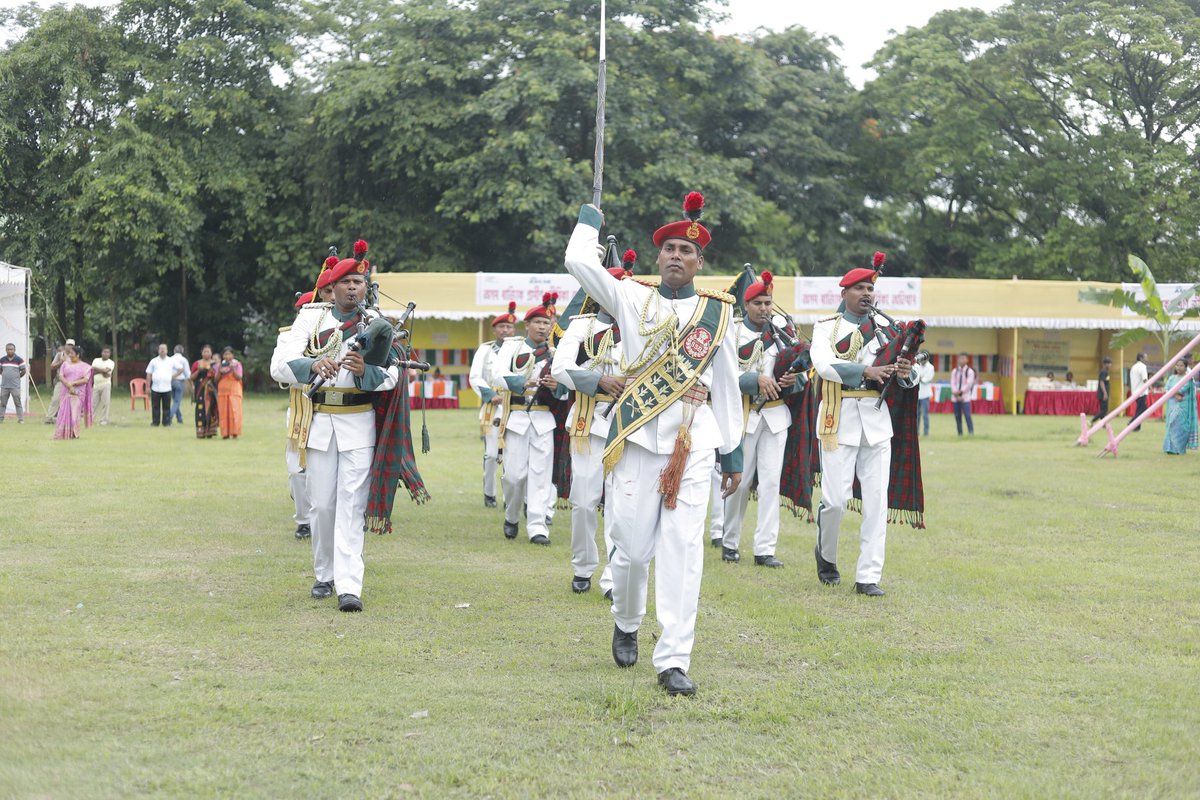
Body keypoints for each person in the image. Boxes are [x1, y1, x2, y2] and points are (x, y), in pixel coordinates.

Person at [564, 192, 743, 697]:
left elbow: (727, 388)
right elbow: (578, 260)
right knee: (632, 547)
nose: (674, 257)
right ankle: (626, 618)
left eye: (686, 252)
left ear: (699, 262)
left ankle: (673, 659)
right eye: (667, 249)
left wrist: (732, 452)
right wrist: (589, 221)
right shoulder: (630, 296)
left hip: (692, 440)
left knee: (684, 550)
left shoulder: (718, 315)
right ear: (657, 256)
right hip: (638, 440)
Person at [270, 242, 404, 612]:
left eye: (358, 281)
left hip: (359, 423)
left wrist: (369, 373)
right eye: (345, 281)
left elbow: (393, 374)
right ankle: (324, 573)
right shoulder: (311, 319)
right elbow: (279, 365)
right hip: (320, 424)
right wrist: (311, 367)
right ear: (333, 284)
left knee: (351, 506)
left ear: (366, 286)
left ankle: (349, 586)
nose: (352, 288)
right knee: (322, 506)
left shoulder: (377, 322)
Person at [810, 257, 917, 597]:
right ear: (845, 292)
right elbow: (823, 365)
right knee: (836, 500)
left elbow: (912, 375)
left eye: (871, 288)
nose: (867, 293)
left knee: (876, 502)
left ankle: (868, 576)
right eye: (859, 288)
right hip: (838, 418)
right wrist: (866, 372)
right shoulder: (827, 327)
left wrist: (905, 373)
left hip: (876, 421)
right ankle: (825, 556)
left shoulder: (889, 330)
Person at [550, 257, 634, 596]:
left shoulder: (641, 327)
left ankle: (613, 578)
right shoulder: (580, 326)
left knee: (621, 504)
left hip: (627, 425)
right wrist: (600, 380)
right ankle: (583, 565)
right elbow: (559, 369)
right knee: (584, 502)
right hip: (588, 423)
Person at [717, 270, 795, 568]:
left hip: (775, 416)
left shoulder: (782, 333)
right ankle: (730, 541)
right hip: (744, 414)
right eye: (759, 303)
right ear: (746, 305)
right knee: (741, 479)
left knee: (770, 483)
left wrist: (793, 380)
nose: (765, 308)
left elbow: (798, 372)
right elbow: (721, 376)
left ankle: (765, 549)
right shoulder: (731, 332)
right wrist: (755, 379)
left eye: (768, 302)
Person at [497, 294, 566, 545]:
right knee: (514, 476)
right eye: (536, 322)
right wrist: (521, 381)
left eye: (546, 324)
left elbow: (566, 390)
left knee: (540, 474)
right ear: (527, 325)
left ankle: (537, 526)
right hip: (517, 417)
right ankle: (512, 515)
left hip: (544, 419)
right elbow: (498, 376)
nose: (541, 327)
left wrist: (557, 385)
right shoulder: (512, 347)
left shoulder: (556, 353)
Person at [469, 302, 518, 508]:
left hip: (513, 406)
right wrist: (489, 394)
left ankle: (510, 497)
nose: (505, 331)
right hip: (492, 406)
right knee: (491, 454)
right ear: (495, 329)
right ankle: (489, 493)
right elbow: (475, 376)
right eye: (501, 327)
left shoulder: (519, 348)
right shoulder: (485, 349)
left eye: (509, 327)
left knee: (510, 455)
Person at [53, 344, 93, 440]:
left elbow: (86, 379)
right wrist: (68, 384)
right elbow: (61, 376)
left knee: (74, 413)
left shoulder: (86, 367)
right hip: (65, 391)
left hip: (78, 393)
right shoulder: (65, 364)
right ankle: (62, 433)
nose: (70, 355)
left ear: (78, 355)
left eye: (72, 353)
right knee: (63, 412)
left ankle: (75, 434)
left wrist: (73, 383)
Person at [1163, 359, 1197, 455]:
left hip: (1183, 407)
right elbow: (1166, 389)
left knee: (1181, 426)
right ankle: (1169, 448)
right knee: (1171, 425)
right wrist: (1175, 394)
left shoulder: (1188, 378)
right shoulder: (1171, 378)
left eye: (1181, 365)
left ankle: (1179, 449)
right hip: (1172, 406)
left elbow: (1182, 389)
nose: (1178, 367)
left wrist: (1175, 393)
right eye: (1177, 365)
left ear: (1186, 367)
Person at [190, 345, 220, 438]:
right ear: (201, 353)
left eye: (208, 351)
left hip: (211, 389)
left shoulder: (215, 364)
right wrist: (198, 371)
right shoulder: (197, 363)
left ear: (211, 353)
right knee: (200, 408)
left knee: (211, 408)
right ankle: (200, 430)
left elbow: (218, 378)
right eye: (205, 351)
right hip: (200, 389)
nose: (206, 353)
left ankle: (210, 431)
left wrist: (213, 373)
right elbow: (192, 377)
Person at [215, 347, 244, 438]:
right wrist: (219, 370)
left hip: (234, 391)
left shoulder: (237, 364)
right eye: (225, 354)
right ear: (223, 356)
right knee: (224, 413)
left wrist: (232, 369)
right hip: (223, 392)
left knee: (234, 411)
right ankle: (225, 433)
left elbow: (239, 377)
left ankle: (235, 433)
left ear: (233, 355)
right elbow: (216, 379)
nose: (227, 356)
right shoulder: (220, 365)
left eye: (229, 354)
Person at [146, 343, 175, 426]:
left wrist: (172, 376)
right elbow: (148, 374)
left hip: (167, 388)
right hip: (155, 388)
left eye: (164, 349)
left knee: (166, 406)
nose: (162, 350)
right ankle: (155, 422)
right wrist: (147, 386)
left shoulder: (171, 361)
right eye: (161, 349)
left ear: (167, 350)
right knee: (155, 406)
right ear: (158, 350)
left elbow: (180, 369)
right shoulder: (153, 361)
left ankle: (166, 422)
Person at [44, 339, 73, 423]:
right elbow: (52, 366)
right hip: (60, 381)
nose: (70, 347)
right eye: (68, 345)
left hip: (72, 382)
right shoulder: (60, 355)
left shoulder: (75, 355)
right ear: (65, 346)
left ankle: (68, 419)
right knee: (55, 400)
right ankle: (49, 418)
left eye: (71, 345)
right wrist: (61, 361)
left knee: (70, 401)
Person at [1, 343, 27, 423]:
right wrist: (5, 375)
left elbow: (23, 370)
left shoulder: (19, 360)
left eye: (11, 349)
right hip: (4, 386)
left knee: (17, 402)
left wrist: (17, 377)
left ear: (14, 350)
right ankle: (1, 418)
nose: (10, 351)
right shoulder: (2, 360)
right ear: (6, 350)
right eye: (8, 349)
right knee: (2, 403)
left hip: (15, 386)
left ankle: (20, 419)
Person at [950, 352, 975, 436]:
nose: (962, 360)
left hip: (965, 397)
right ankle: (960, 433)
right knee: (957, 416)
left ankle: (971, 432)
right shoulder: (955, 371)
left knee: (967, 416)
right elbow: (952, 383)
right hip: (955, 397)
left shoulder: (970, 371)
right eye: (960, 358)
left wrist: (960, 392)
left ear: (967, 360)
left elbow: (968, 384)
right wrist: (955, 393)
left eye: (964, 358)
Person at [90, 346, 115, 425]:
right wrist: (103, 371)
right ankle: (91, 419)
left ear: (110, 354)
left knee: (105, 403)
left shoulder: (111, 362)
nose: (105, 354)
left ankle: (104, 420)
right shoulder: (96, 360)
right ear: (101, 352)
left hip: (106, 384)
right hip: (96, 384)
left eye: (107, 352)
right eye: (104, 352)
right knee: (93, 403)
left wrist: (98, 370)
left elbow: (107, 372)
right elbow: (92, 371)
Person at [916, 350, 935, 435]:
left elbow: (926, 379)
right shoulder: (917, 365)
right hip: (917, 394)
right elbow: (915, 377)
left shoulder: (930, 367)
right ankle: (916, 431)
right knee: (917, 414)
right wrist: (920, 377)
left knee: (925, 414)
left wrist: (920, 378)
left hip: (925, 394)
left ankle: (926, 432)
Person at [1128, 353, 1149, 432]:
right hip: (1142, 391)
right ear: (1141, 358)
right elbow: (1145, 379)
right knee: (1142, 410)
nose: (1147, 359)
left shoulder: (1134, 367)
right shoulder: (1143, 367)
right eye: (1145, 357)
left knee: (1140, 409)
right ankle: (1132, 422)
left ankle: (1136, 427)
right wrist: (1151, 388)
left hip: (1135, 391)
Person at [169, 344, 189, 425]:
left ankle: (179, 418)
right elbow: (187, 372)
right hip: (180, 381)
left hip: (170, 380)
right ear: (182, 351)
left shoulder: (170, 359)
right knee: (177, 401)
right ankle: (170, 415)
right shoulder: (183, 360)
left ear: (174, 351)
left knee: (175, 401)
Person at [1091, 356, 1112, 423]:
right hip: (1103, 394)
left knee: (1104, 410)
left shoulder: (1106, 372)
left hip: (1104, 394)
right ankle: (1093, 420)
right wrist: (1105, 393)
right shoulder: (1104, 372)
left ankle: (1104, 424)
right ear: (1105, 364)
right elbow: (1102, 382)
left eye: (1110, 363)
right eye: (1108, 363)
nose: (1110, 365)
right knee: (1104, 410)